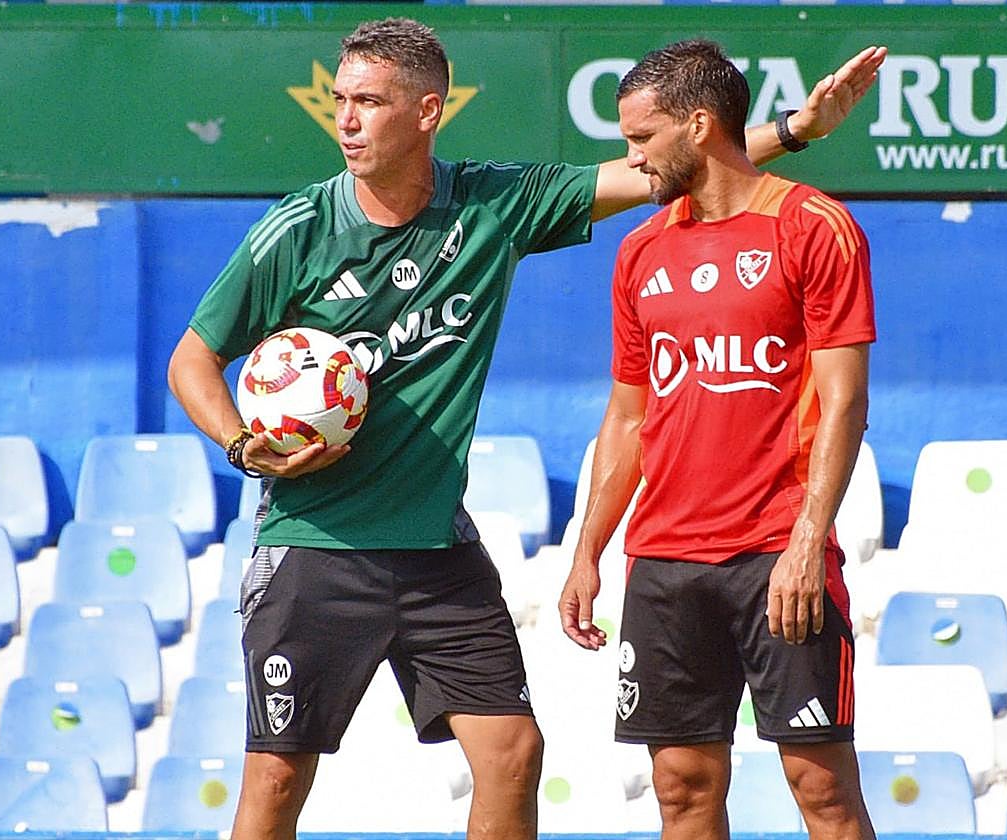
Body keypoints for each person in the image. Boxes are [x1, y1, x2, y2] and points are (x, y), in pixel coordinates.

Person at [168, 16, 884, 840]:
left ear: (428, 111)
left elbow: (664, 166)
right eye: (342, 101)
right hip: (316, 544)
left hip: (437, 551)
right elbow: (193, 359)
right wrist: (240, 444)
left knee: (513, 752)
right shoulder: (299, 229)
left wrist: (793, 131)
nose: (347, 120)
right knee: (275, 777)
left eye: (369, 101)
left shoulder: (494, 205)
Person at [558, 38, 877, 840]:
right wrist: (589, 550)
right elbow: (628, 417)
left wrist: (807, 542)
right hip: (664, 563)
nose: (631, 158)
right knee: (681, 789)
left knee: (822, 790)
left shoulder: (814, 227)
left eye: (641, 138)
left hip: (777, 554)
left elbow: (844, 404)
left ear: (698, 126)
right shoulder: (640, 249)